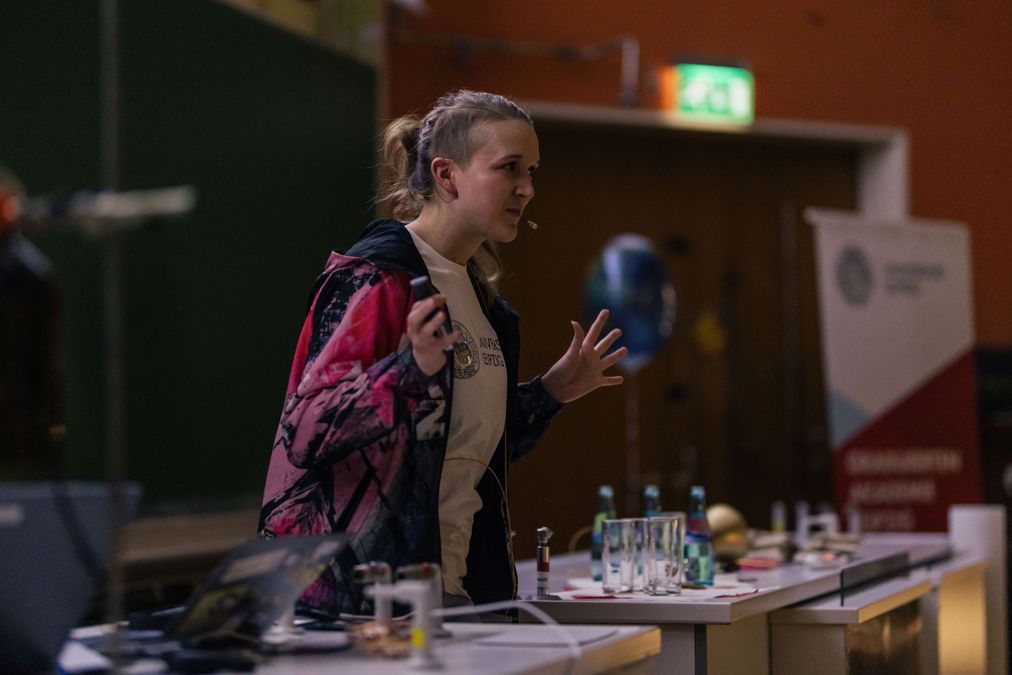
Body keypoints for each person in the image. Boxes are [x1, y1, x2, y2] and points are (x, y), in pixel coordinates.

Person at [258, 90, 627, 615]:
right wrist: (406, 371)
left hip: (452, 591)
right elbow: (306, 432)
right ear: (447, 176)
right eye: (509, 169)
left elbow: (457, 444)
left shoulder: (485, 307)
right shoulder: (375, 278)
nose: (527, 189)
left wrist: (551, 392)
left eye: (532, 171)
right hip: (356, 607)